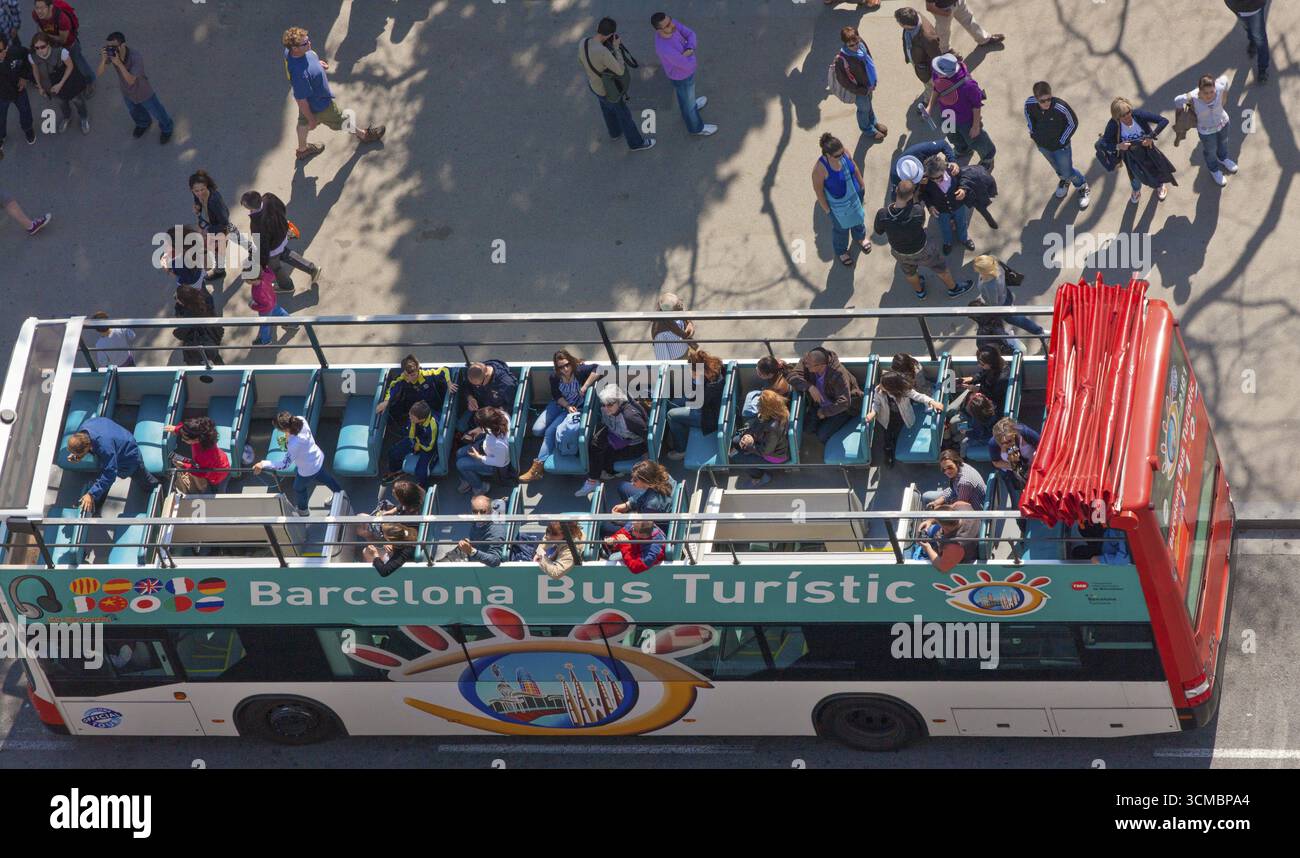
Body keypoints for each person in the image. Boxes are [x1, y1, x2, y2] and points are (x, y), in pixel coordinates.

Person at [282, 27, 384, 161]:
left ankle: (302, 150)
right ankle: (364, 135)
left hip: (311, 102)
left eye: (307, 40)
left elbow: (306, 64)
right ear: (295, 48)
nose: (309, 44)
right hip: (320, 104)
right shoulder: (300, 75)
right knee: (341, 118)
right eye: (305, 43)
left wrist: (317, 65)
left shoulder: (290, 53)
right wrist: (312, 118)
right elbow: (301, 100)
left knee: (302, 123)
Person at [874, 179, 972, 299]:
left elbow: (879, 231)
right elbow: (921, 223)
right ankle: (953, 289)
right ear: (911, 195)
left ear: (896, 190)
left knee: (910, 272)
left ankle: (920, 292)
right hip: (922, 250)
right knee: (941, 268)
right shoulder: (917, 211)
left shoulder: (882, 214)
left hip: (899, 252)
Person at [520, 350, 601, 483]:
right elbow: (557, 395)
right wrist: (567, 405)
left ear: (571, 362)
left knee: (549, 431)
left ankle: (537, 468)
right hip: (561, 404)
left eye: (567, 365)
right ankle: (549, 449)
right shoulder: (554, 377)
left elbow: (599, 368)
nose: (565, 369)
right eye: (561, 367)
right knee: (536, 430)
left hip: (574, 408)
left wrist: (585, 386)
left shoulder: (579, 371)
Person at [580, 17, 654, 152]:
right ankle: (636, 143)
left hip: (594, 86)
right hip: (609, 90)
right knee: (624, 116)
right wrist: (615, 47)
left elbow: (582, 61)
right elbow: (620, 70)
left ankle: (614, 133)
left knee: (606, 109)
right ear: (610, 34)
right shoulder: (603, 52)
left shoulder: (583, 42)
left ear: (598, 28)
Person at [252, 411, 343, 515]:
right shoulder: (301, 420)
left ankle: (303, 510)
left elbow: (284, 465)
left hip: (307, 470)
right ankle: (339, 495)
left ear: (285, 429)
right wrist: (288, 435)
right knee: (327, 479)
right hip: (317, 458)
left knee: (298, 488)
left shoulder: (293, 444)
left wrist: (263, 463)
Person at [65, 416, 158, 513]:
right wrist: (78, 456)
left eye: (79, 453)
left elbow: (110, 474)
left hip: (128, 455)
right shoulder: (84, 429)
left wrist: (91, 494)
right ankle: (94, 504)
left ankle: (157, 488)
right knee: (101, 481)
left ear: (87, 447)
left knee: (143, 477)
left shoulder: (105, 447)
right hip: (114, 443)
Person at [1024, 81, 1090, 209]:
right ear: (1036, 99)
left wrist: (1062, 140)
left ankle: (1082, 185)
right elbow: (1028, 115)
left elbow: (1073, 123)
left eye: (1049, 99)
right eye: (1042, 101)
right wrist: (1033, 133)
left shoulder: (1061, 107)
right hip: (1043, 145)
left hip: (1061, 147)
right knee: (1056, 167)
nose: (1046, 103)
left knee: (1067, 170)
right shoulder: (1029, 104)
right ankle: (1065, 181)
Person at [98, 32, 173, 144]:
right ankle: (143, 123)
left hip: (143, 92)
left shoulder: (135, 57)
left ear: (122, 45)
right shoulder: (113, 55)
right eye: (108, 47)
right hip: (127, 92)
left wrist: (118, 63)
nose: (110, 49)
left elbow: (131, 80)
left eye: (113, 47)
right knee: (135, 111)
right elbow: (99, 73)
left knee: (157, 111)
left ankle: (167, 128)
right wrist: (103, 61)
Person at [240, 190, 322, 292]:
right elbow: (282, 208)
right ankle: (312, 269)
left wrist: (262, 261)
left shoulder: (258, 224)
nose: (243, 205)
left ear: (250, 207)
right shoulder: (269, 198)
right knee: (286, 254)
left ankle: (287, 287)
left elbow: (263, 245)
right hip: (282, 234)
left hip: (273, 247)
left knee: (276, 268)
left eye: (245, 204)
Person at [650, 12, 715, 137]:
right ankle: (696, 128)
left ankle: (689, 108)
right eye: (668, 25)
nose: (672, 25)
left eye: (670, 21)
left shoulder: (671, 25)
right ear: (659, 30)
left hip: (682, 72)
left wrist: (689, 48)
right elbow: (687, 64)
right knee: (688, 101)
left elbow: (690, 34)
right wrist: (689, 54)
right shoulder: (665, 48)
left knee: (684, 97)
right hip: (682, 76)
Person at [1100, 97, 1174, 205]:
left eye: (1128, 112)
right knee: (1134, 175)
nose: (1126, 117)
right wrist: (1118, 146)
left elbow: (1163, 121)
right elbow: (1103, 143)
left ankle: (1159, 185)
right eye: (1122, 115)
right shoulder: (1113, 124)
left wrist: (1151, 136)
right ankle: (1136, 190)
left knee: (1155, 168)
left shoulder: (1138, 115)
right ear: (1116, 117)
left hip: (1147, 150)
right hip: (1130, 155)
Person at [577, 385, 647, 498]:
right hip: (616, 433)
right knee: (594, 445)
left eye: (609, 404)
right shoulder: (607, 410)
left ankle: (609, 472)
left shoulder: (630, 418)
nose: (605, 408)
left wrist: (646, 458)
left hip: (633, 443)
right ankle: (593, 480)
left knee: (606, 456)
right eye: (603, 404)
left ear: (619, 402)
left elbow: (646, 436)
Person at [813, 133, 871, 267]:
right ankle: (841, 250)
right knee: (841, 230)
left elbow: (854, 168)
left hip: (855, 197)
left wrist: (862, 185)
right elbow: (819, 191)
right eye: (837, 156)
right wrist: (827, 210)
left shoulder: (844, 153)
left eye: (842, 153)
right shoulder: (819, 169)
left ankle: (860, 238)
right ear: (827, 155)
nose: (842, 156)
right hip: (838, 207)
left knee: (858, 219)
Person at [928, 54, 994, 170]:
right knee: (953, 136)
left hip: (966, 118)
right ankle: (963, 150)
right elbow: (936, 88)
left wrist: (975, 126)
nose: (935, 72)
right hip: (947, 113)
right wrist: (930, 106)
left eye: (938, 71)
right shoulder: (937, 74)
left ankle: (987, 158)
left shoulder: (968, 85)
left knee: (977, 140)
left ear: (947, 73)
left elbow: (976, 106)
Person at [788, 347, 863, 446]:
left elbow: (844, 402)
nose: (805, 365)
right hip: (820, 404)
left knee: (822, 436)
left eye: (809, 365)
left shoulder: (839, 375)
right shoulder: (808, 360)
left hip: (840, 408)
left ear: (822, 366)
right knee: (808, 429)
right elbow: (791, 376)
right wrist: (810, 387)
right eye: (806, 362)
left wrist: (824, 412)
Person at [867, 368, 942, 466]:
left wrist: (932, 401)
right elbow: (876, 403)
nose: (879, 386)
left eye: (883, 384)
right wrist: (873, 413)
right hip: (887, 416)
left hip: (903, 415)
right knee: (888, 433)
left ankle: (898, 442)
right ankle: (888, 451)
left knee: (901, 429)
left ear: (891, 387)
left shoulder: (904, 391)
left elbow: (919, 396)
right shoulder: (878, 391)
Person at [1174, 74, 1236, 187]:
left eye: (1212, 92)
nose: (1209, 95)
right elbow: (1177, 100)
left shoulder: (1219, 87)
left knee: (1223, 143)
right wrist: (1186, 111)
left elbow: (1226, 79)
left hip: (1223, 123)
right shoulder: (1192, 97)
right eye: (1205, 93)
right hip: (1206, 131)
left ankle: (1223, 158)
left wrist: (1224, 97)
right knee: (1211, 151)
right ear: (1199, 91)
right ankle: (1214, 170)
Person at [665, 349, 724, 459]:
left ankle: (681, 450)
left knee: (671, 415)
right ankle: (678, 433)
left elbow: (695, 402)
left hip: (708, 417)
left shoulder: (712, 386)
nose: (690, 373)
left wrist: (695, 381)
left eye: (691, 371)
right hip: (706, 404)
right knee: (672, 403)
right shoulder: (714, 367)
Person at [971, 255, 1046, 340]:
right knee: (1017, 318)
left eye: (977, 268)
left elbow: (994, 303)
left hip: (1002, 307)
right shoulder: (996, 266)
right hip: (1006, 295)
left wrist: (984, 303)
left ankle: (1039, 332)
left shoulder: (989, 285)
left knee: (1018, 320)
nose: (974, 269)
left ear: (985, 271)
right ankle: (1039, 332)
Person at [834, 26, 887, 143]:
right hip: (859, 91)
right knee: (863, 109)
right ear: (845, 44)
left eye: (856, 42)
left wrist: (872, 80)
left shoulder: (861, 44)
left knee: (869, 106)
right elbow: (844, 82)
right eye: (851, 45)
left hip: (869, 85)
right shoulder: (841, 60)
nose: (855, 46)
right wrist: (862, 91)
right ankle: (868, 130)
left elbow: (869, 58)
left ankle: (873, 123)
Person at [377, 355, 455, 433]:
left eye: (412, 375)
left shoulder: (426, 374)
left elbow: (444, 370)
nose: (408, 378)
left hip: (432, 407)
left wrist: (449, 383)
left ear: (418, 370)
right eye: (406, 375)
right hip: (415, 408)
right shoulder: (402, 378)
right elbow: (392, 387)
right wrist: (386, 401)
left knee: (432, 427)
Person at [28, 31, 87, 134]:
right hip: (50, 86)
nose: (40, 50)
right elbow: (35, 70)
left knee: (77, 100)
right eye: (36, 48)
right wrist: (40, 87)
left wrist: (60, 84)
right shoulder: (32, 56)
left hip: (67, 82)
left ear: (48, 44)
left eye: (43, 47)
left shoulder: (61, 52)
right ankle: (67, 117)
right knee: (61, 103)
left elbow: (70, 66)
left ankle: (83, 117)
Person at [730, 389, 790, 487]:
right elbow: (758, 425)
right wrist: (748, 435)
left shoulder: (773, 427)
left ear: (767, 408)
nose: (758, 406)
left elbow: (766, 451)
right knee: (735, 440)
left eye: (760, 405)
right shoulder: (778, 410)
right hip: (764, 441)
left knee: (736, 457)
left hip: (775, 456)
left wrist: (751, 446)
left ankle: (760, 477)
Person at [917, 151, 972, 256]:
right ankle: (947, 242)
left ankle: (964, 239)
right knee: (944, 227)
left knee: (961, 222)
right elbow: (923, 194)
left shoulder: (953, 171)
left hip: (958, 205)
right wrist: (930, 206)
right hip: (941, 210)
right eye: (933, 178)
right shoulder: (925, 182)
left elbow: (964, 179)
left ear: (944, 169)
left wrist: (963, 189)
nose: (937, 180)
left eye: (940, 177)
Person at [31, 0, 92, 93]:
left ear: (50, 7)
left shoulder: (62, 19)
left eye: (42, 8)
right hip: (53, 46)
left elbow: (63, 40)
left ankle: (89, 81)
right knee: (63, 67)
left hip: (69, 45)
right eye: (37, 8)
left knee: (79, 63)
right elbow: (39, 27)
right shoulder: (35, 15)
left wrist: (45, 36)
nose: (39, 11)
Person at [603, 459, 676, 536]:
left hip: (656, 529)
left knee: (605, 528)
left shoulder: (651, 505)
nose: (632, 482)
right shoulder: (665, 476)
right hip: (660, 512)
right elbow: (646, 493)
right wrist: (628, 504)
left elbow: (642, 528)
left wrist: (621, 520)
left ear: (647, 482)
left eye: (635, 480)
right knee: (622, 486)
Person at [894, 6, 944, 115]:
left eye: (899, 22)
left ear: (906, 25)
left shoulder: (928, 38)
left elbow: (936, 58)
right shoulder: (915, 17)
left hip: (925, 67)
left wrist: (934, 74)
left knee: (929, 84)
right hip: (918, 60)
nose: (898, 23)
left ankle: (929, 100)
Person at [164, 417, 230, 494]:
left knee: (217, 493)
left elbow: (200, 472)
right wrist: (176, 429)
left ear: (196, 439)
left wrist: (184, 465)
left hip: (218, 474)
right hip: (221, 461)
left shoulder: (204, 455)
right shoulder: (203, 434)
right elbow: (187, 428)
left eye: (185, 439)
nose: (182, 440)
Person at [439, 494, 508, 566]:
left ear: (490, 511)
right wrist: (470, 543)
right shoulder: (479, 521)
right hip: (471, 550)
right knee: (438, 565)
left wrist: (472, 551)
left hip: (479, 559)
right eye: (475, 511)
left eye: (482, 512)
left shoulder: (497, 530)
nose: (478, 516)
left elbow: (495, 560)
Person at [455, 406, 511, 495]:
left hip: (493, 465)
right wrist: (479, 430)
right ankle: (468, 478)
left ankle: (480, 488)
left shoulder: (498, 443)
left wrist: (479, 457)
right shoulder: (502, 415)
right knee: (459, 453)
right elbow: (491, 429)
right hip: (486, 448)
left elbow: (501, 462)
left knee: (460, 464)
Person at [190, 171, 234, 281]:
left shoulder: (215, 200)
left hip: (218, 230)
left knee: (218, 251)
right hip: (208, 226)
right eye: (196, 191)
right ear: (192, 190)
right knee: (214, 249)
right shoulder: (197, 194)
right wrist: (198, 207)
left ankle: (220, 271)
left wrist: (208, 230)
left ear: (207, 186)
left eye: (202, 189)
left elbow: (224, 223)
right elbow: (198, 201)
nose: (199, 193)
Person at [384, 399, 437, 485]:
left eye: (412, 417)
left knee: (421, 472)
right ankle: (397, 470)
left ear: (421, 419)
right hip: (416, 440)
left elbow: (429, 447)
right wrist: (413, 424)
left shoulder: (432, 427)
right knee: (393, 453)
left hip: (428, 447)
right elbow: (411, 436)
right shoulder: (414, 416)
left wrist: (418, 444)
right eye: (409, 414)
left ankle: (423, 486)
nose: (409, 417)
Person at [355, 478, 424, 542]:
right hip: (395, 521)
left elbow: (401, 532)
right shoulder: (417, 492)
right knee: (361, 516)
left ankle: (369, 536)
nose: (392, 493)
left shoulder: (410, 517)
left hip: (398, 530)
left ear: (402, 500)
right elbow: (403, 506)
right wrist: (391, 511)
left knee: (362, 530)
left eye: (395, 493)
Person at [458, 359, 519, 432]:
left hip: (496, 414)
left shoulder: (506, 385)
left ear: (486, 376)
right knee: (461, 426)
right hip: (480, 407)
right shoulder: (474, 373)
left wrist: (491, 417)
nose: (477, 387)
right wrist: (470, 398)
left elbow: (511, 406)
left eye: (478, 385)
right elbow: (466, 386)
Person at [918, 501, 979, 572]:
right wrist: (930, 521)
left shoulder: (956, 545)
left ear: (945, 527)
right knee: (930, 530)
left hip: (955, 558)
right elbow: (953, 507)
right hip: (958, 544)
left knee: (919, 557)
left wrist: (927, 548)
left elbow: (942, 567)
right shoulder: (963, 506)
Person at [0, 33, 34, 156]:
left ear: (7, 48)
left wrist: (25, 77)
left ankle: (28, 129)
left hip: (18, 90)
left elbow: (30, 59)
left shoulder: (17, 52)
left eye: (0, 50)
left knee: (25, 111)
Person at [173, 284, 223, 366]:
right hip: (212, 333)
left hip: (197, 340)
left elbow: (180, 334)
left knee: (193, 361)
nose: (175, 298)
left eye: (178, 297)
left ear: (184, 301)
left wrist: (175, 332)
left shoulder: (189, 315)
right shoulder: (205, 298)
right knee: (214, 354)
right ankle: (221, 369)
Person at [925, 0, 1003, 52]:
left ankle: (983, 39)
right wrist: (945, 13)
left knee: (969, 20)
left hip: (959, 3)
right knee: (944, 32)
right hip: (943, 10)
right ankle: (946, 52)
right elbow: (929, 7)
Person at [989, 416, 1038, 499]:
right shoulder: (993, 444)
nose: (1006, 444)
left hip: (1035, 465)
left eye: (1009, 441)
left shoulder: (1025, 432)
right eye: (1002, 442)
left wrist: (1033, 467)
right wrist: (1017, 467)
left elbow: (1043, 447)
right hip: (1013, 473)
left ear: (1014, 433)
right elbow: (996, 462)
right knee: (1017, 500)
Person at [888, 139, 954, 198]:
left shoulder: (923, 149)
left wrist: (952, 161)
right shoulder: (895, 178)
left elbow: (943, 144)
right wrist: (918, 183)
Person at [922, 449, 987, 508]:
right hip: (960, 496)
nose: (947, 472)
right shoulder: (962, 466)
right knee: (926, 496)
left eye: (950, 467)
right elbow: (953, 488)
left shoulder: (964, 483)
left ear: (957, 463)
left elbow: (960, 507)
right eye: (943, 469)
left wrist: (939, 508)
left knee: (930, 504)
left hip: (973, 508)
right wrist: (937, 502)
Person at [1225, 0, 1269, 84]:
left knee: (1260, 38)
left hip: (1254, 8)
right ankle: (1252, 41)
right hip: (1236, 8)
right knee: (1248, 28)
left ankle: (1262, 69)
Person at [249, 265, 294, 346]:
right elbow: (272, 274)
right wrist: (266, 267)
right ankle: (292, 323)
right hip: (273, 300)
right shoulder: (265, 276)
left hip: (265, 310)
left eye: (247, 279)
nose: (245, 281)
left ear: (253, 280)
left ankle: (265, 340)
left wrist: (253, 306)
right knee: (280, 312)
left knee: (265, 325)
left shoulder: (258, 292)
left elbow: (265, 306)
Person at [651, 293, 696, 360]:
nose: (681, 306)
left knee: (700, 367)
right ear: (671, 312)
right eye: (678, 306)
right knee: (699, 368)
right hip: (676, 361)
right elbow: (663, 360)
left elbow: (685, 316)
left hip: (688, 350)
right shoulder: (659, 333)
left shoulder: (676, 313)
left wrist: (690, 324)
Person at [953, 390, 997, 456]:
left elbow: (977, 436)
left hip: (986, 437)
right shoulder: (993, 406)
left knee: (963, 443)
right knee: (960, 426)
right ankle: (954, 439)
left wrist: (966, 432)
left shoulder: (978, 422)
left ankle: (962, 457)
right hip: (985, 429)